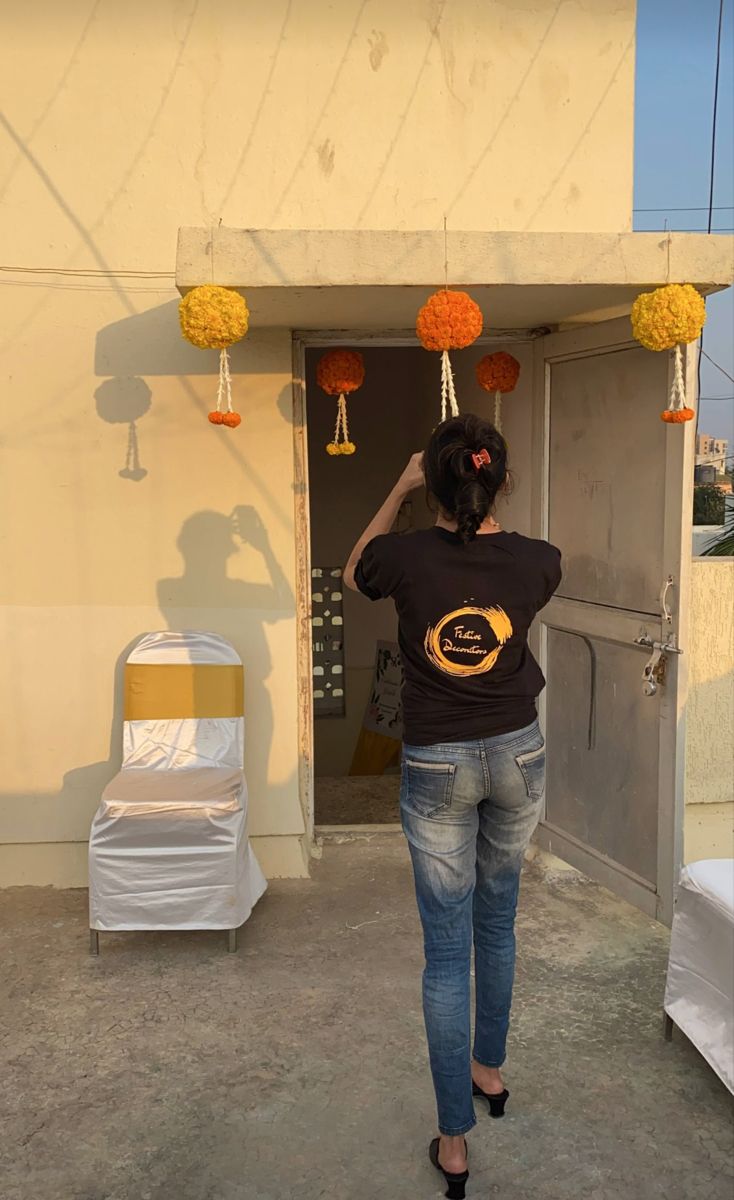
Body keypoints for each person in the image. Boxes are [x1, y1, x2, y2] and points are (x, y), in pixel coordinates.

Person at [344, 413, 562, 1198]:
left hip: (437, 762)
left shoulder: (401, 559)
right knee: (497, 921)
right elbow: (503, 553)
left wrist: (401, 486)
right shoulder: (541, 563)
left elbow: (351, 571)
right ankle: (489, 1073)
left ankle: (454, 1142)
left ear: (431, 484)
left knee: (446, 952)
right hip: (518, 754)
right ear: (499, 479)